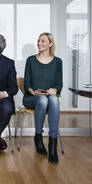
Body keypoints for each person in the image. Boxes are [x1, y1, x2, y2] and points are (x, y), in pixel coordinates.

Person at [23, 32, 63, 164]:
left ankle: (52, 147)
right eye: (38, 41)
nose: (39, 43)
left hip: (49, 98)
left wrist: (54, 90)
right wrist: (32, 92)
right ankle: (38, 136)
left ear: (50, 44)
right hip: (31, 98)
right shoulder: (31, 60)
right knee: (42, 99)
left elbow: (59, 83)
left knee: (53, 99)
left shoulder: (57, 62)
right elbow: (27, 82)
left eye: (43, 41)